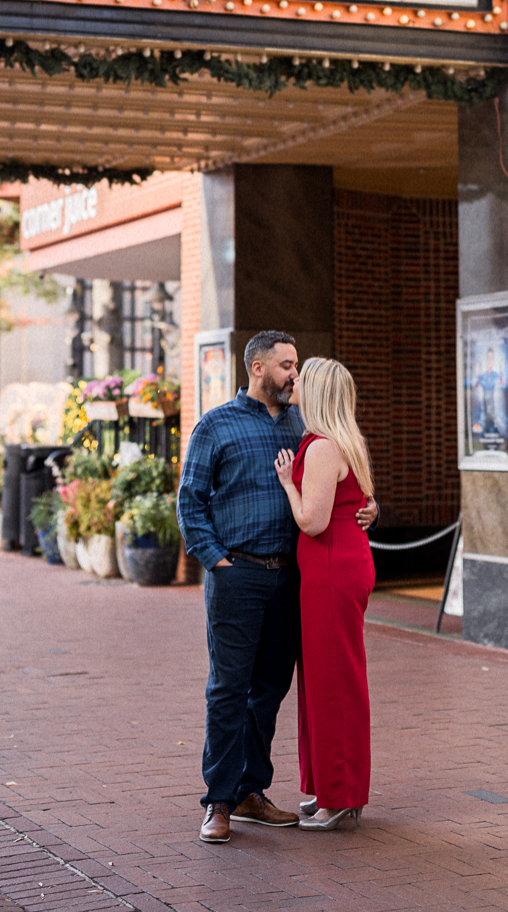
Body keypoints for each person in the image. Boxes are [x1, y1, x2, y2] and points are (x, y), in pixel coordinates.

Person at [177, 330, 377, 845]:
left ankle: (251, 792)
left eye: (297, 366)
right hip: (237, 574)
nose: (295, 374)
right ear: (258, 368)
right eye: (287, 365)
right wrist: (215, 560)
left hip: (292, 577)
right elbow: (190, 501)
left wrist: (368, 510)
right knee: (228, 689)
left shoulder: (303, 424)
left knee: (269, 690)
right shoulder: (215, 426)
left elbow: (340, 482)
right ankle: (218, 801)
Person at [274, 357, 376, 832]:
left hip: (331, 570)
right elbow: (360, 503)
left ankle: (339, 796)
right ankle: (335, 789)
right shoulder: (347, 442)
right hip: (341, 566)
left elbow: (312, 521)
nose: (293, 382)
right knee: (328, 679)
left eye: (301, 377)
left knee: (332, 682)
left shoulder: (320, 448)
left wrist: (286, 486)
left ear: (316, 392)